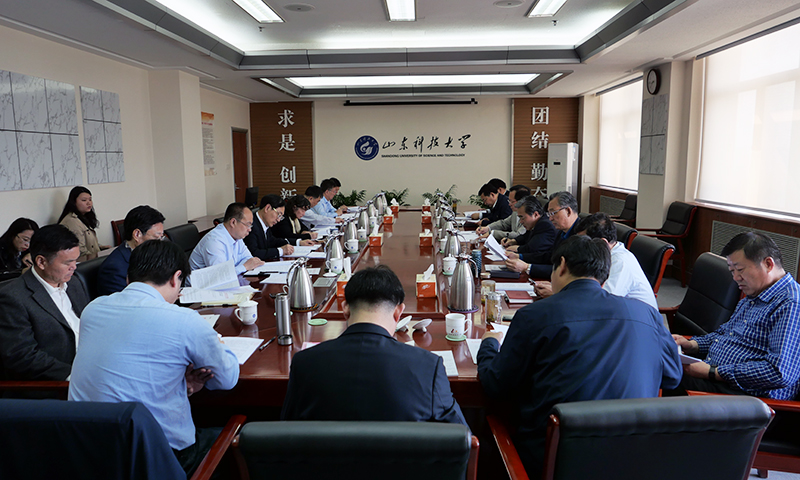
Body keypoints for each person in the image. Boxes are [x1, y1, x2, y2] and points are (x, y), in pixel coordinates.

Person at [477, 235, 681, 477]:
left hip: (552, 460)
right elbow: (672, 377)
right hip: (632, 459)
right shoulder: (646, 313)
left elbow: (496, 384)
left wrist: (489, 344)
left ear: (562, 265)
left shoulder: (535, 315)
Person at [68, 240, 239, 476]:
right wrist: (219, 343)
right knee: (237, 438)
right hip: (155, 460)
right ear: (176, 278)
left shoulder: (93, 310)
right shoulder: (184, 320)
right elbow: (226, 379)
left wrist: (181, 383)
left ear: (128, 278)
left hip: (90, 455)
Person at [282, 265, 468, 426]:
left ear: (345, 309)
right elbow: (462, 439)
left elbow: (284, 436)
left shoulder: (304, 363)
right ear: (398, 312)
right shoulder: (428, 367)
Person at [669, 232, 800, 400]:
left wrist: (712, 372)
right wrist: (693, 345)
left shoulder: (791, 304)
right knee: (659, 360)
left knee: (660, 374)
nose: (736, 278)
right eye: (732, 271)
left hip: (748, 397)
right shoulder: (755, 295)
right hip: (719, 378)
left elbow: (779, 373)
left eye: (740, 270)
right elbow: (725, 334)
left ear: (768, 264)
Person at [0, 225, 90, 380]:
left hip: (90, 364)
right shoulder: (13, 298)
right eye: (68, 262)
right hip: (58, 380)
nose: (74, 267)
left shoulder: (74, 283)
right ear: (41, 262)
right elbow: (23, 356)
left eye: (76, 260)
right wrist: (75, 376)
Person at [532, 213, 657, 309]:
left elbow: (599, 301)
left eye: (584, 242)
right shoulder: (601, 256)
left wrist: (558, 293)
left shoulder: (620, 262)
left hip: (636, 325)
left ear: (601, 243)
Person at [504, 191, 580, 280]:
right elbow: (550, 256)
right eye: (549, 214)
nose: (550, 218)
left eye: (553, 213)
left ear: (568, 211)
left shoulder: (582, 235)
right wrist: (520, 256)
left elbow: (568, 271)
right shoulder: (562, 232)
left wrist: (527, 267)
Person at [96, 205, 165, 296]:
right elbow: (128, 302)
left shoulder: (151, 255)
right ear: (137, 234)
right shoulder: (114, 269)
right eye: (156, 237)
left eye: (161, 237)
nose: (159, 243)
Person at [189, 202, 264, 275]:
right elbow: (220, 275)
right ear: (233, 222)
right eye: (247, 225)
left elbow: (249, 259)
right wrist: (244, 267)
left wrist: (241, 267)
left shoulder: (237, 236)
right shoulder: (214, 241)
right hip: (202, 283)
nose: (249, 229)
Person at [58, 186, 110, 261]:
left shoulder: (84, 217)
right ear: (74, 202)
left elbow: (89, 244)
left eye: (90, 199)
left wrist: (100, 247)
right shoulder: (71, 221)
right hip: (83, 263)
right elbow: (81, 251)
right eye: (84, 200)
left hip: (91, 259)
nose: (89, 203)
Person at [502, 196, 557, 267]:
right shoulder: (537, 223)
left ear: (535, 214)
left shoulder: (545, 225)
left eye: (522, 218)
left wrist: (518, 249)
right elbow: (526, 235)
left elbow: (532, 248)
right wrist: (514, 241)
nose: (521, 222)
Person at [243, 195, 295, 260]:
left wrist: (293, 243)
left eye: (281, 217)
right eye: (279, 214)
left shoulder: (264, 223)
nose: (278, 220)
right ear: (267, 208)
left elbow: (272, 241)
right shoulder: (251, 224)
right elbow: (253, 253)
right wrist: (280, 251)